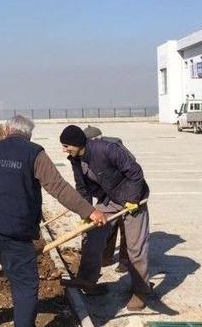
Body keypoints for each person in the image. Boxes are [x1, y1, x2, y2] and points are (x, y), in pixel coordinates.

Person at [0, 116, 107, 326]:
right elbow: (58, 187)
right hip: (14, 229)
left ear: (6, 130)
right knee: (25, 282)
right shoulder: (34, 153)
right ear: (29, 135)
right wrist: (89, 211)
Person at [59, 125, 151, 311]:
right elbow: (82, 188)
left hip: (132, 198)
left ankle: (140, 292)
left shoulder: (107, 149)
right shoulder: (75, 159)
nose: (64, 149)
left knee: (135, 247)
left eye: (67, 145)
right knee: (91, 235)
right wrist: (86, 213)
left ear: (78, 143)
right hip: (109, 199)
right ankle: (87, 281)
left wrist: (133, 199)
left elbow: (135, 173)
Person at [83, 126, 129, 273]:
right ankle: (105, 257)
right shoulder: (86, 155)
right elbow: (84, 186)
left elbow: (128, 174)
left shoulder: (112, 149)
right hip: (106, 195)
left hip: (125, 193)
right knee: (106, 223)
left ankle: (125, 261)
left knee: (125, 226)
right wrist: (87, 211)